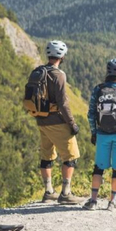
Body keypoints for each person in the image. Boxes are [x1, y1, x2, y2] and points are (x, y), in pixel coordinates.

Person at [28, 40, 80, 203]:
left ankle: (49, 191)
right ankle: (65, 193)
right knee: (70, 157)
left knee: (47, 156)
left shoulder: (38, 71)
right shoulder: (59, 75)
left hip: (41, 120)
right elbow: (63, 103)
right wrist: (72, 124)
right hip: (57, 121)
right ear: (62, 56)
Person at [84, 58, 116, 210]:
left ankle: (93, 201)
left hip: (102, 134)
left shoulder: (98, 89)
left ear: (107, 71)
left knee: (98, 168)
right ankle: (112, 202)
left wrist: (94, 132)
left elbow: (91, 114)